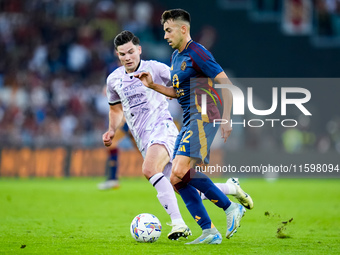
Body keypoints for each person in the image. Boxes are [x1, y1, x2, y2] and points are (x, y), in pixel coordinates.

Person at [135, 9, 252, 244]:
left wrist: (227, 118)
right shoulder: (176, 58)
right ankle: (209, 231)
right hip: (188, 119)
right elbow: (177, 93)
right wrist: (152, 86)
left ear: (183, 29)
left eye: (169, 30)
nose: (165, 35)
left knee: (178, 172)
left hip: (204, 116)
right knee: (177, 180)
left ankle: (230, 208)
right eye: (164, 31)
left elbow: (226, 84)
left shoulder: (197, 52)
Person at [102, 30, 192, 240]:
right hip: (144, 140)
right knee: (184, 187)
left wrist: (165, 89)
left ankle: (179, 224)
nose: (127, 57)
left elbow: (180, 84)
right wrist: (112, 129)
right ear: (118, 55)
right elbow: (116, 110)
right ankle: (231, 190)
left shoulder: (155, 68)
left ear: (139, 50)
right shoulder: (114, 80)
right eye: (122, 54)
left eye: (131, 52)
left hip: (163, 129)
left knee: (149, 169)